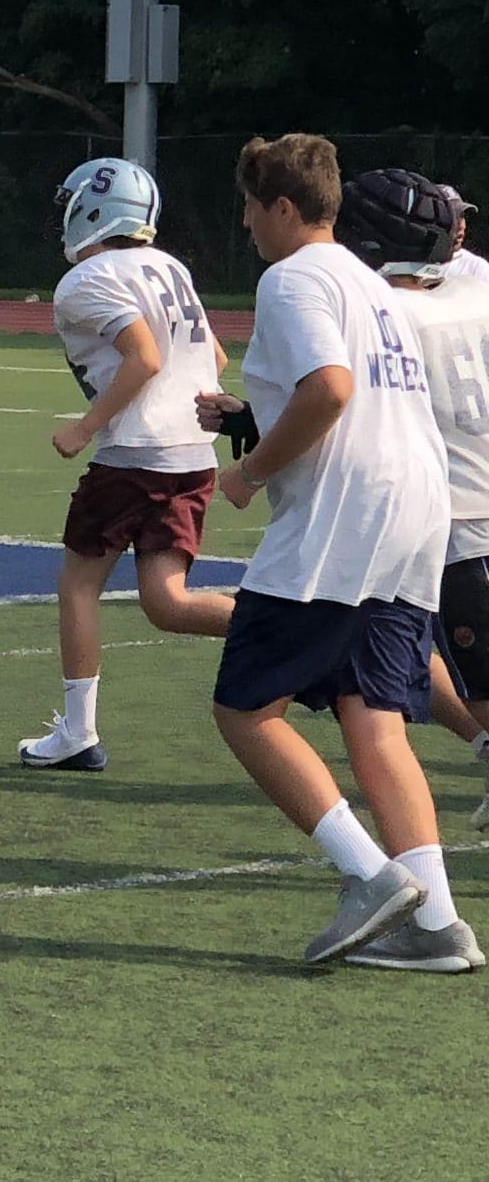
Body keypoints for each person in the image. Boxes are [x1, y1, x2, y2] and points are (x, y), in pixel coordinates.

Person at [197, 133, 477, 971]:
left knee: (247, 709)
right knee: (374, 719)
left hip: (346, 517)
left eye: (252, 207)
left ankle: (368, 876)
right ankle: (439, 925)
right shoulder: (372, 282)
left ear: (284, 207)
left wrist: (249, 470)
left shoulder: (292, 277)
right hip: (419, 509)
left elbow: (330, 389)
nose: (246, 223)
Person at [22, 157, 235, 772]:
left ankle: (78, 731)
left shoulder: (85, 279)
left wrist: (85, 427)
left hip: (134, 457)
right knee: (167, 603)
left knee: (78, 586)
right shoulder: (170, 266)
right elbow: (215, 357)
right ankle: (293, 628)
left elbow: (143, 357)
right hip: (192, 455)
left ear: (92, 209)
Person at [333, 169, 489, 835]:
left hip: (458, 517)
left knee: (477, 680)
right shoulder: (474, 286)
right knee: (397, 639)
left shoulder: (386, 313)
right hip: (454, 509)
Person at [440, 184, 489, 283]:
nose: (462, 226)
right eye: (453, 217)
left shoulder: (476, 269)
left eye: (462, 216)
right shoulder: (409, 264)